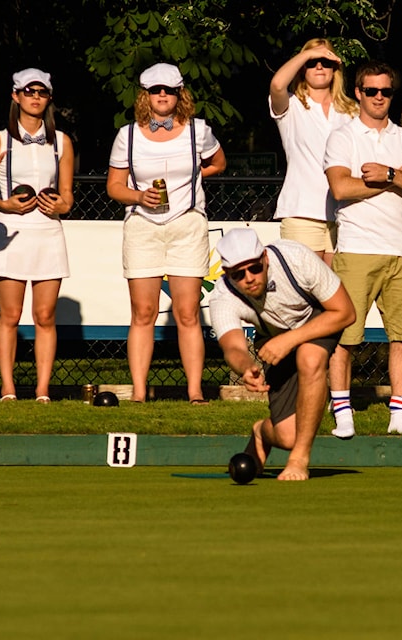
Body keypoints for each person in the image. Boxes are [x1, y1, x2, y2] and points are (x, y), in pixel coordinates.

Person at [323, 60, 402, 439]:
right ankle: (343, 412)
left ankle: (400, 416)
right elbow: (342, 188)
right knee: (345, 337)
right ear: (358, 92)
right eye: (371, 91)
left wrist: (388, 174)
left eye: (385, 91)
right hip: (357, 247)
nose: (378, 97)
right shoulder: (342, 137)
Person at [106, 63, 227, 404]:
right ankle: (140, 393)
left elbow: (219, 162)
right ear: (145, 95)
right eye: (156, 90)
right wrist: (138, 196)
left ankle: (194, 392)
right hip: (142, 226)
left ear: (179, 94)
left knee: (187, 312)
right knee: (143, 313)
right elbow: (114, 186)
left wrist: (196, 179)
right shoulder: (126, 135)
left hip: (187, 224)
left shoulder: (198, 131)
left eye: (169, 90)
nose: (162, 96)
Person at [209, 228, 356, 481]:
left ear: (265, 258)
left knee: (309, 357)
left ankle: (299, 460)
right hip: (274, 339)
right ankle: (261, 432)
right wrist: (245, 368)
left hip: (319, 318)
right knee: (288, 436)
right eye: (238, 274)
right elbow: (233, 347)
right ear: (227, 275)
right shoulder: (223, 296)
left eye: (254, 268)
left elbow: (345, 312)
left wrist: (290, 340)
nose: (249, 278)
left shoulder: (295, 258)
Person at [0, 68, 75, 403]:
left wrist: (59, 205)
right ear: (15, 96)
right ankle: (7, 389)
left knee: (45, 315)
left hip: (48, 231)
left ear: (48, 97)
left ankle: (42, 390)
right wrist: (4, 204)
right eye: (29, 91)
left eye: (42, 92)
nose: (35, 97)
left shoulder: (61, 142)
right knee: (9, 314)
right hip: (11, 231)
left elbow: (68, 196)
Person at [269, 38, 358, 266]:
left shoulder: (352, 111)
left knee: (337, 295)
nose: (319, 66)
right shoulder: (291, 105)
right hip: (302, 214)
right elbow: (278, 84)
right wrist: (308, 54)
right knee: (303, 294)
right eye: (312, 62)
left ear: (335, 69)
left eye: (325, 61)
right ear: (302, 69)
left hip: (345, 216)